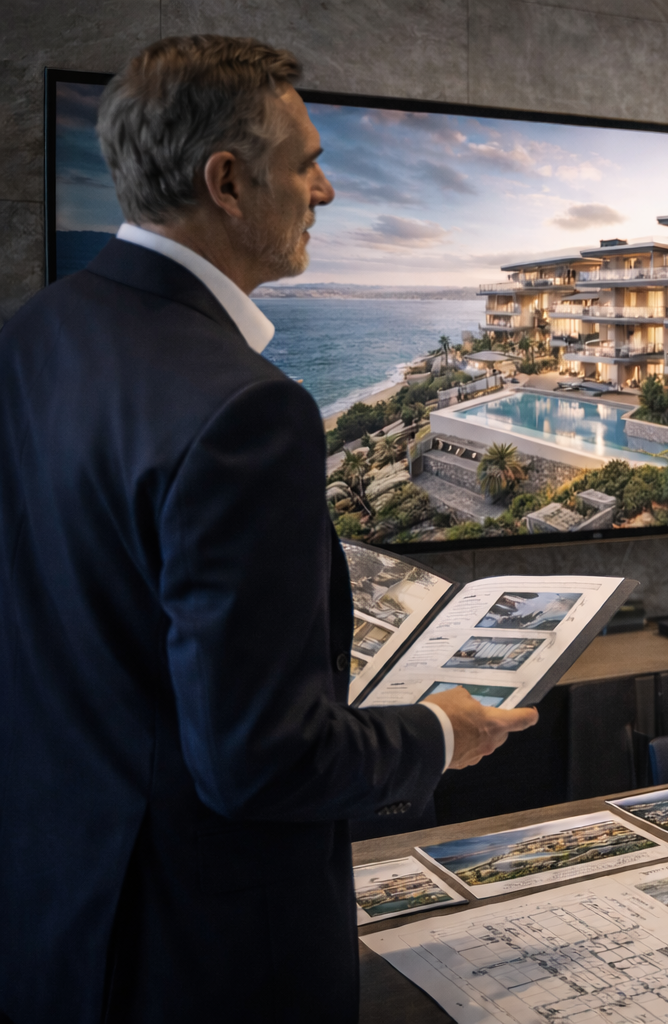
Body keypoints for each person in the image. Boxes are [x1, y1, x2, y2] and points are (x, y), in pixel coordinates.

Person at [0, 37, 538, 1023]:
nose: (326, 191)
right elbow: (260, 758)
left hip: (52, 919)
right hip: (203, 961)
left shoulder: (31, 336)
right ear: (229, 182)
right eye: (308, 163)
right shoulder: (245, 409)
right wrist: (435, 733)